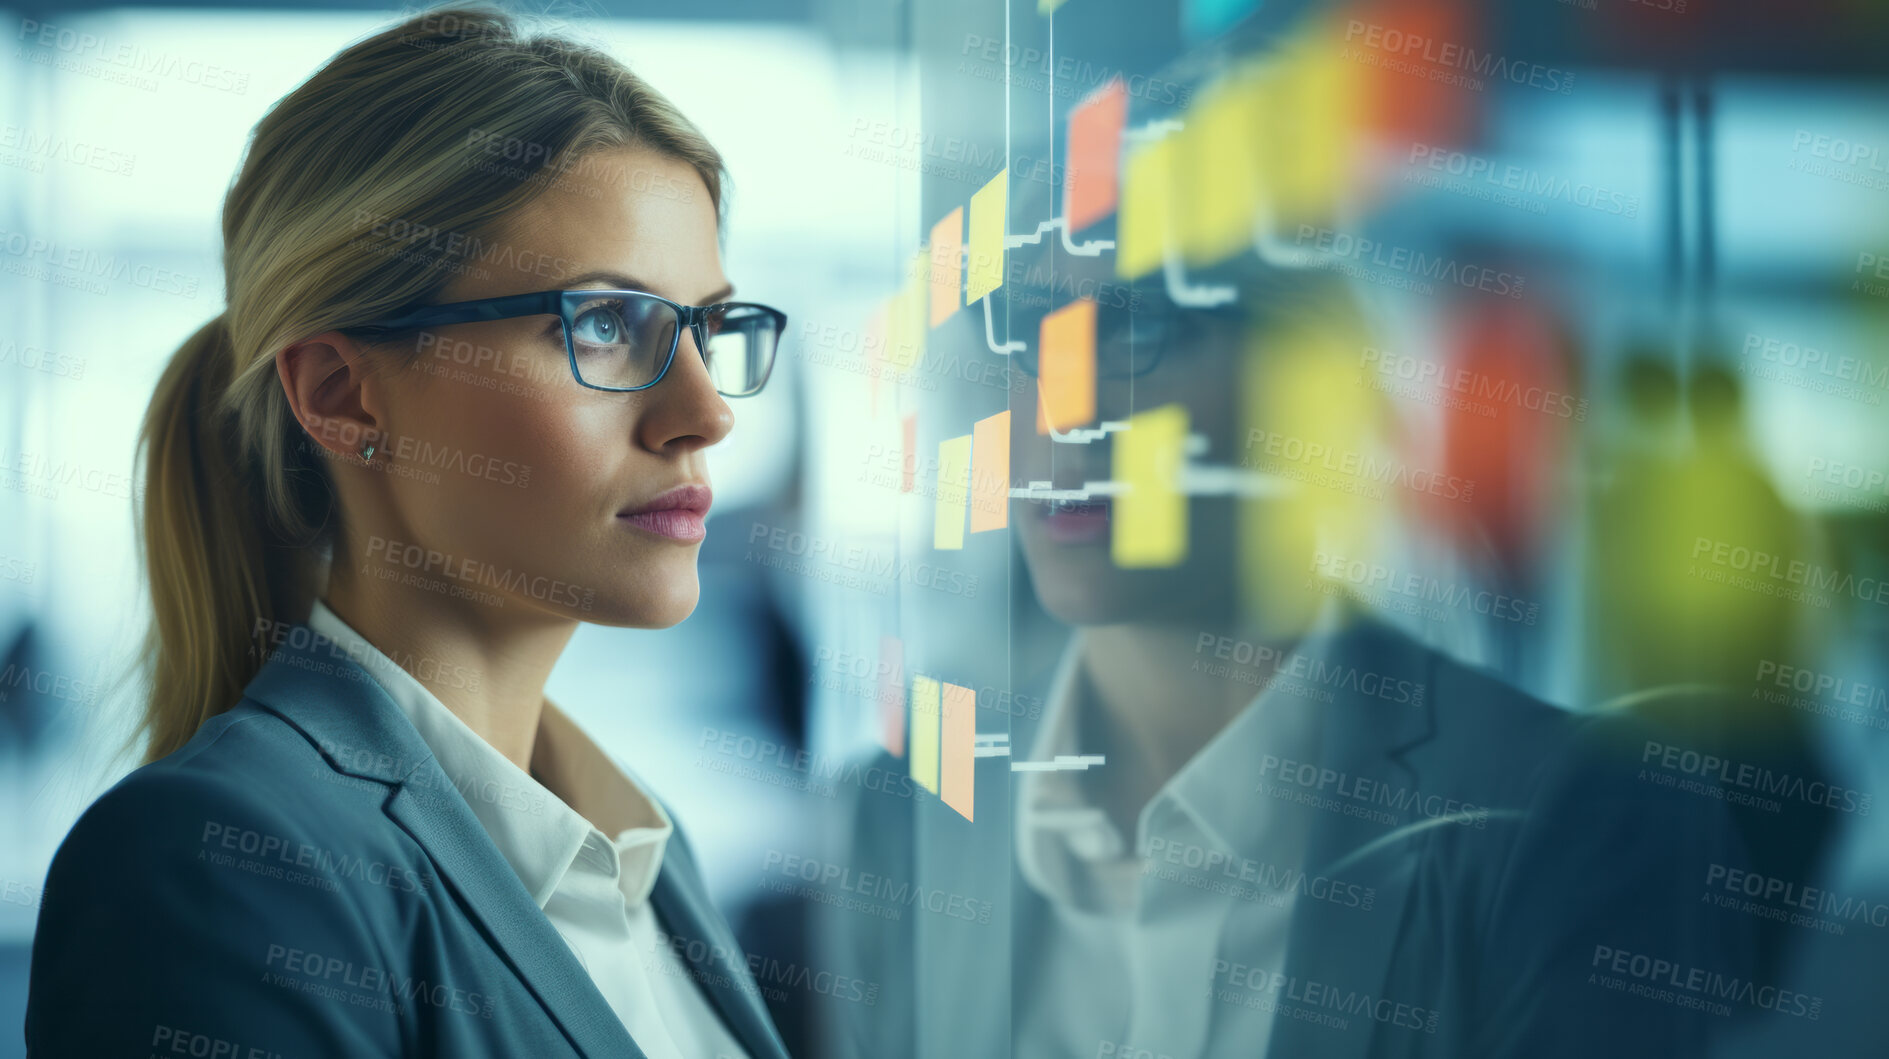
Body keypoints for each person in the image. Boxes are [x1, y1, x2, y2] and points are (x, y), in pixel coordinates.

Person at [812, 179, 1765, 1058]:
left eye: (1139, 331)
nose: (1067, 412)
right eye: (1030, 331)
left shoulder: (1565, 819)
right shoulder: (904, 814)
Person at [25, 6, 790, 1057]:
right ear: (342, 393)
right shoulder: (221, 865)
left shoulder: (642, 850)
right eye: (605, 324)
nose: (705, 414)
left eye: (704, 328)